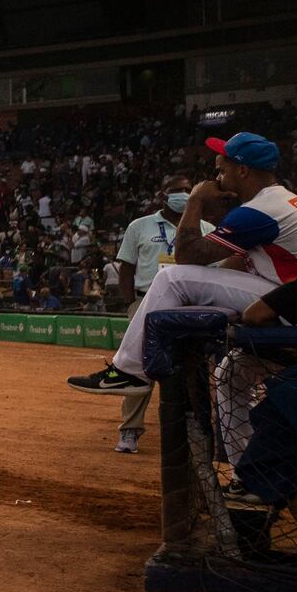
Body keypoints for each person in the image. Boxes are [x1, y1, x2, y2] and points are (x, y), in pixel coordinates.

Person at [68, 132, 297, 394]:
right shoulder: (281, 202)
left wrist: (196, 200)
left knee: (171, 278)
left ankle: (128, 371)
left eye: (222, 171)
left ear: (243, 171)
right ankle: (241, 446)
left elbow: (185, 256)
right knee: (230, 378)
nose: (216, 178)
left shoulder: (260, 210)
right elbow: (232, 266)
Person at [105, 174, 192, 453]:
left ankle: (191, 434)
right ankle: (130, 432)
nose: (184, 194)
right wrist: (131, 304)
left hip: (189, 307)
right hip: (145, 304)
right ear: (162, 195)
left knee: (190, 370)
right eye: (177, 190)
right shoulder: (139, 226)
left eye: (188, 190)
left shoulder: (203, 226)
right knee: (139, 370)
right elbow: (127, 268)